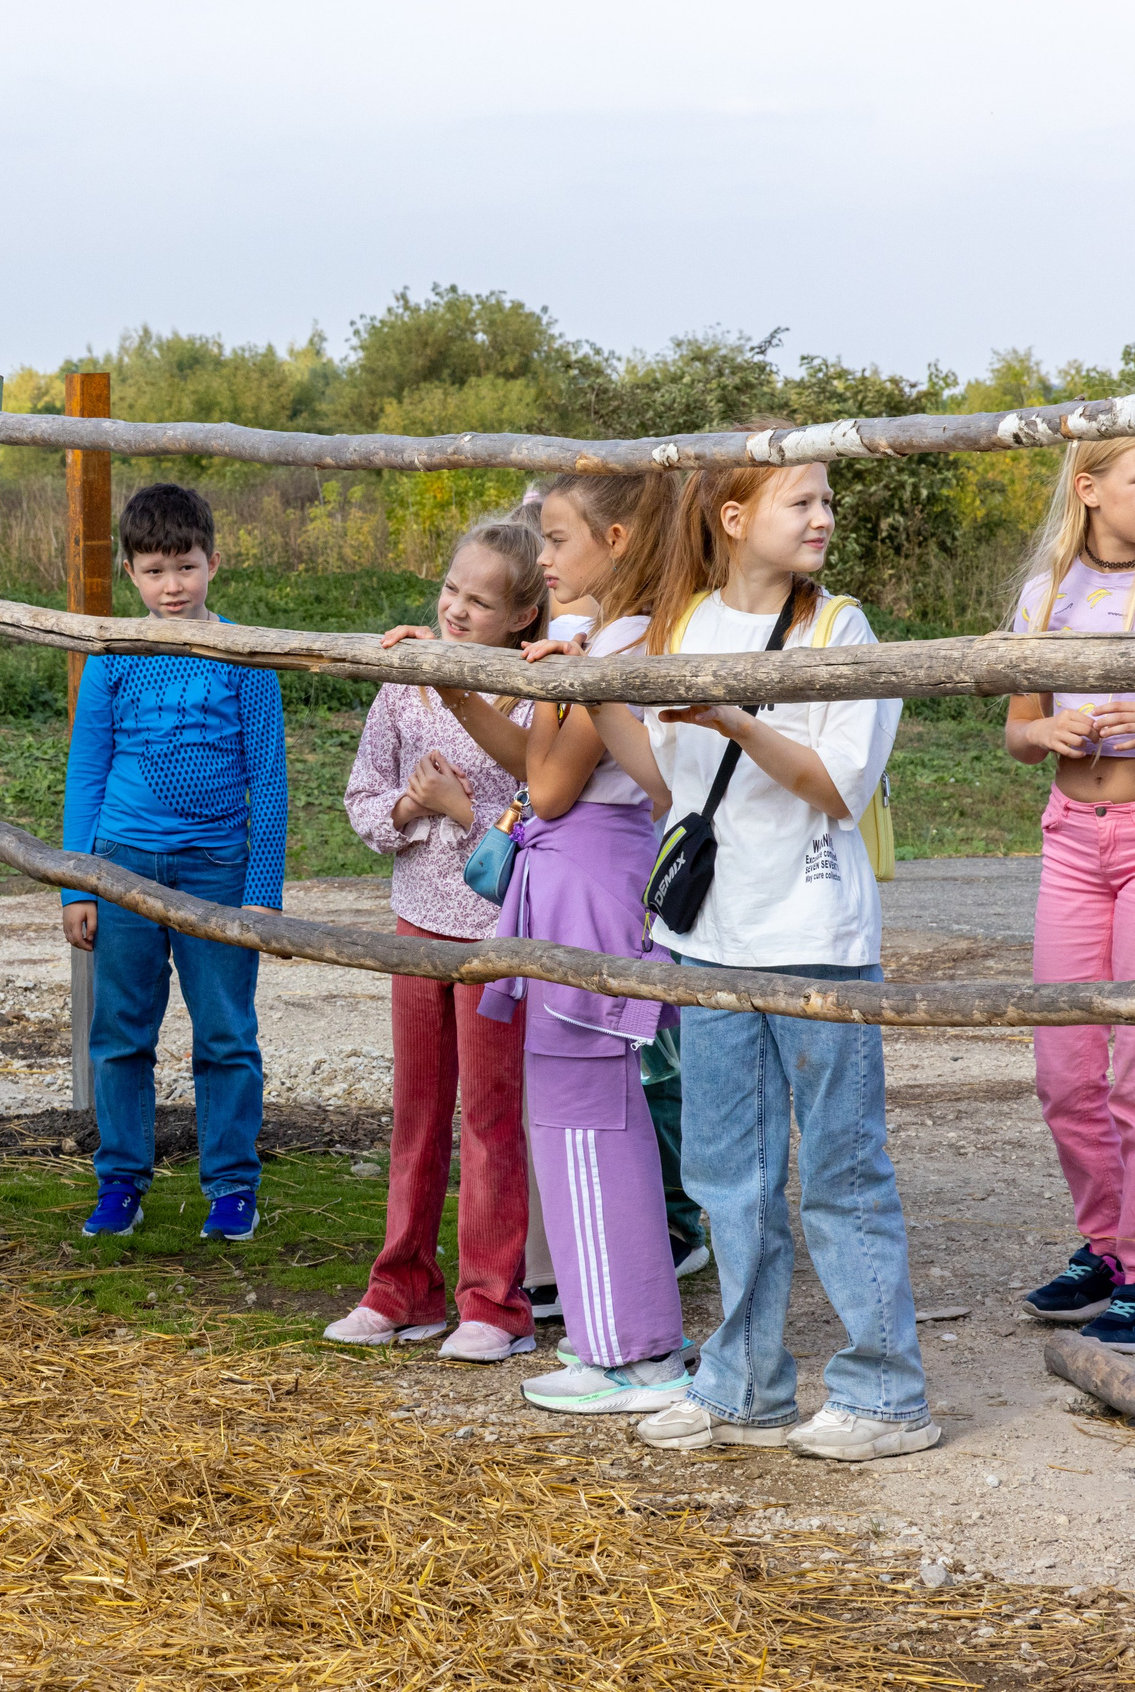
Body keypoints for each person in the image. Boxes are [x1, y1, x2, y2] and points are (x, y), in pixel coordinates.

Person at [619, 455, 935, 1462]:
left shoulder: (842, 631)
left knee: (842, 1167)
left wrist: (734, 719)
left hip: (817, 938)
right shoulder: (682, 626)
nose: (822, 516)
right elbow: (666, 782)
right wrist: (589, 689)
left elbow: (838, 785)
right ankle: (743, 1385)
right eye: (801, 500)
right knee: (728, 1174)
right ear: (732, 515)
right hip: (711, 938)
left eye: (827, 499)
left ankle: (886, 1393)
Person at [424, 473, 694, 1415]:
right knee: (575, 1114)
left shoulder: (617, 646)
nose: (543, 557)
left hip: (587, 883)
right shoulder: (607, 639)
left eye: (559, 537)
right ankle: (611, 1335)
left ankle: (633, 1351)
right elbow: (538, 769)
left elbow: (545, 790)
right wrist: (462, 692)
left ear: (616, 542)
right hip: (569, 874)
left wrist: (552, 682)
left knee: (587, 1117)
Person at [1002, 433, 1135, 1354]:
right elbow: (1017, 731)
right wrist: (1046, 733)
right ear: (1089, 488)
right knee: (1063, 1068)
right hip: (1071, 837)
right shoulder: (1043, 595)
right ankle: (1105, 1246)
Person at [327, 515, 548, 1361]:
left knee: (491, 1117)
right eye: (451, 590)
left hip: (498, 935)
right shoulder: (406, 683)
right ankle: (402, 1288)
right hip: (416, 928)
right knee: (417, 1113)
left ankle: (494, 1302)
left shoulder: (536, 693)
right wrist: (410, 808)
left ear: (522, 616)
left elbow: (543, 814)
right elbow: (362, 798)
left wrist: (464, 814)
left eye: (480, 603)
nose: (455, 609)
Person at [61, 483, 288, 1243]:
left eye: (185, 567)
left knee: (225, 1031)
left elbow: (269, 778)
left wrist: (262, 891)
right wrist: (78, 883)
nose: (171, 586)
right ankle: (121, 1180)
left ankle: (232, 1184)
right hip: (122, 865)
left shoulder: (245, 656)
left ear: (212, 564)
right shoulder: (114, 656)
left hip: (217, 867)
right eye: (155, 571)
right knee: (121, 1031)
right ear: (130, 572)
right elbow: (87, 769)